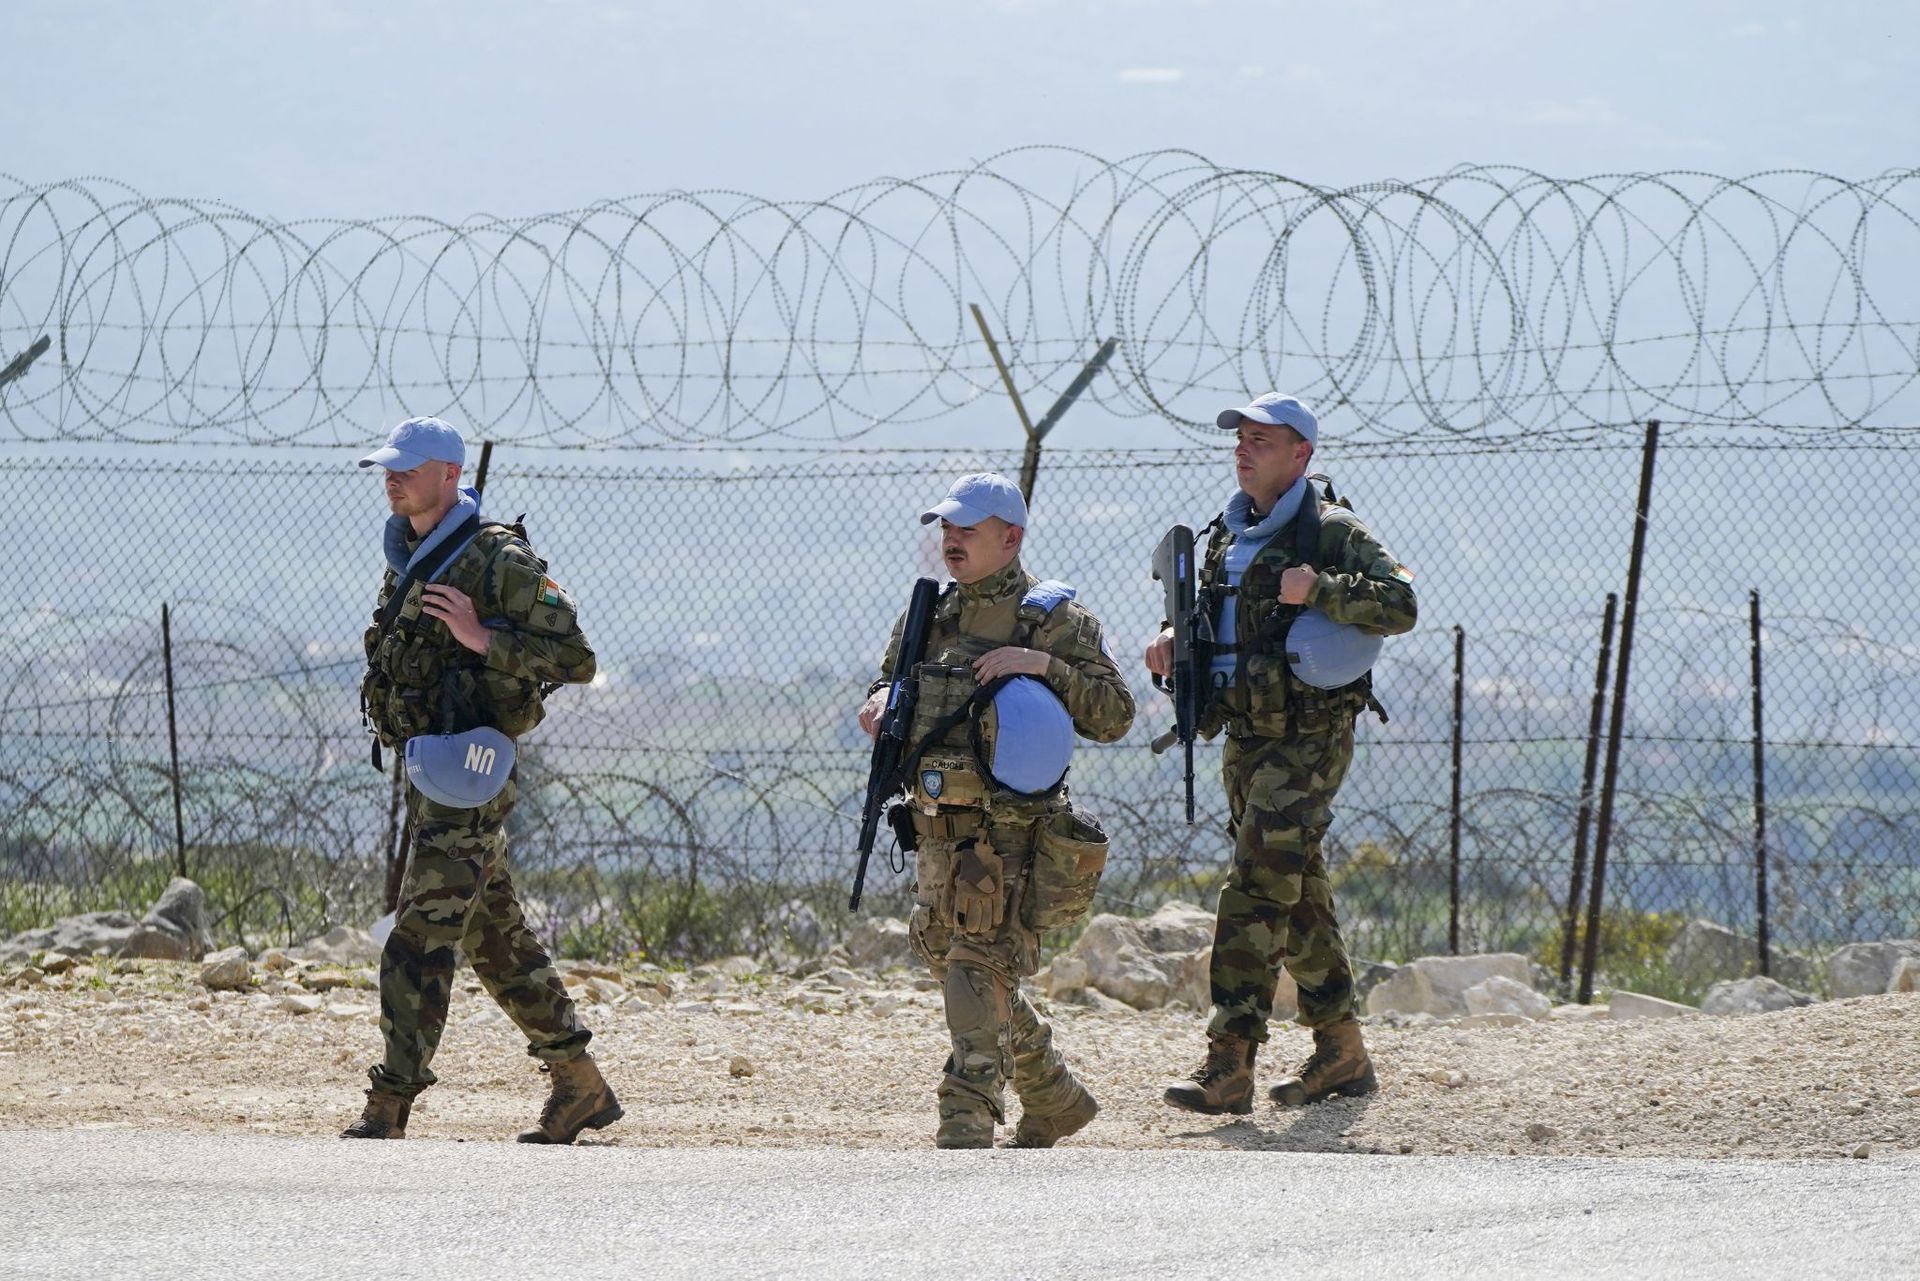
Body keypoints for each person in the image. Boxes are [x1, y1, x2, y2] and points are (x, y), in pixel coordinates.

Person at [343, 415, 621, 1144]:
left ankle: (391, 1098)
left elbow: (577, 657)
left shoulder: (494, 557)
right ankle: (579, 1083)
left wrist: (483, 637)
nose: (392, 477)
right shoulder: (409, 552)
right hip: (429, 768)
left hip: (470, 770)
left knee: (421, 933)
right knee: (495, 935)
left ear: (449, 475)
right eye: (388, 466)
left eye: (407, 467)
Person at [1145, 393, 1417, 1115]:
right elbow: (1211, 617)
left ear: (1301, 455)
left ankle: (1229, 1061)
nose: (1243, 450)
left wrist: (1321, 589)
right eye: (1240, 439)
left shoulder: (1330, 530)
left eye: (1261, 440)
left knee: (1257, 884)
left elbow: (1401, 602)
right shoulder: (1227, 536)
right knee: (1296, 889)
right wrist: (1172, 640)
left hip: (1307, 738)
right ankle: (1342, 1050)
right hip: (1245, 734)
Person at [858, 473, 1135, 1148]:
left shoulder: (1054, 621)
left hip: (1011, 835)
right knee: (944, 952)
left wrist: (1042, 666)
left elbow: (1115, 713)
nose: (951, 541)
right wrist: (876, 704)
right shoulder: (930, 616)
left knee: (975, 966)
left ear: (1010, 538)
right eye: (946, 529)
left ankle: (966, 1112)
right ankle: (1053, 1092)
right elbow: (889, 680)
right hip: (936, 829)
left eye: (967, 530)